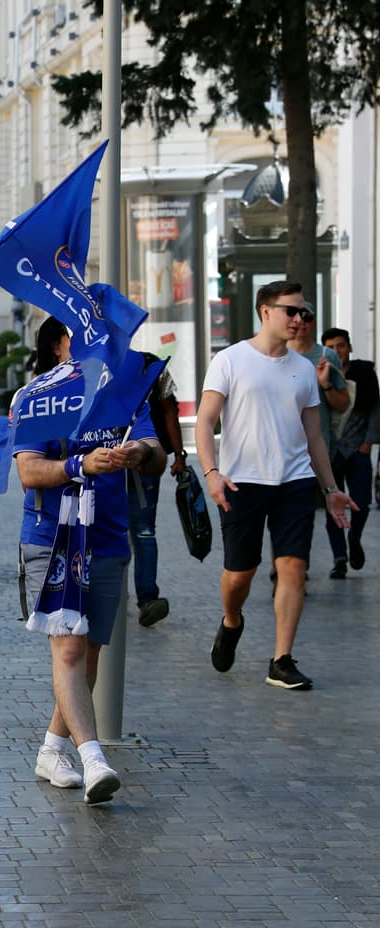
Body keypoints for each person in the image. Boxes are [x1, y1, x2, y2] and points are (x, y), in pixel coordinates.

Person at [15, 316, 164, 805]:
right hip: (50, 538)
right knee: (70, 651)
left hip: (106, 536)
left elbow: (156, 450)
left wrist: (136, 452)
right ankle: (94, 758)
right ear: (60, 347)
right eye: (85, 340)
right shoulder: (36, 397)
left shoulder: (123, 393)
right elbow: (30, 472)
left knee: (90, 652)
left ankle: (53, 748)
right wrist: (81, 464)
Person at [194, 281, 356, 691]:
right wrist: (212, 473)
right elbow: (205, 421)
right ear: (265, 311)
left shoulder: (304, 369)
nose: (300, 320)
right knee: (239, 574)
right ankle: (232, 621)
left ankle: (281, 660)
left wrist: (330, 487)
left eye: (305, 313)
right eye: (292, 311)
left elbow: (314, 436)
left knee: (294, 569)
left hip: (295, 482)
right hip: (241, 482)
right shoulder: (230, 360)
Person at [127, 358, 186, 627]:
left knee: (139, 530)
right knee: (143, 531)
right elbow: (168, 410)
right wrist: (179, 455)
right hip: (146, 456)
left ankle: (146, 599)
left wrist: (179, 454)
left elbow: (167, 410)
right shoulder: (149, 364)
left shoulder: (150, 365)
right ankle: (147, 599)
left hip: (142, 457)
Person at [319, 327, 379, 576]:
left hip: (358, 448)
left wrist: (368, 442)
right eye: (331, 347)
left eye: (341, 345)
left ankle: (354, 537)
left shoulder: (364, 372)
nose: (337, 351)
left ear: (349, 347)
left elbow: (376, 408)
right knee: (332, 504)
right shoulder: (319, 373)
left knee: (361, 501)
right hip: (329, 451)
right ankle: (340, 558)